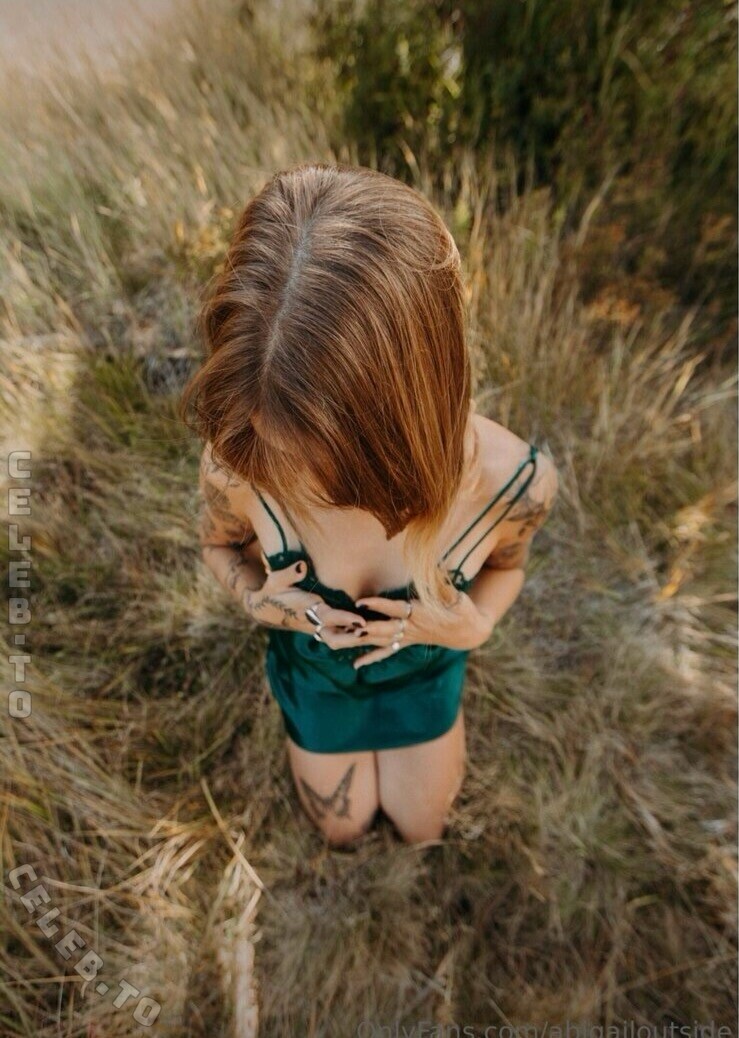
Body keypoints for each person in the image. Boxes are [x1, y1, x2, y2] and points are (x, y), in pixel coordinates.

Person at [180, 163, 559, 847]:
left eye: (329, 461)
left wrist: (471, 629)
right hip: (315, 685)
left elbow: (508, 566)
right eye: (274, 446)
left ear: (407, 413)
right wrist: (257, 603)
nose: (294, 481)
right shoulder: (238, 458)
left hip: (427, 679)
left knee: (423, 829)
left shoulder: (514, 484)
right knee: (343, 831)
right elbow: (218, 544)